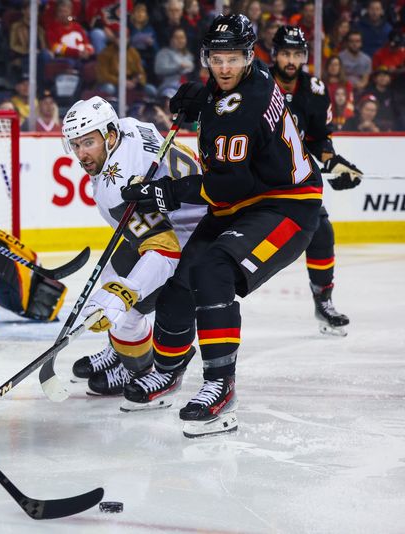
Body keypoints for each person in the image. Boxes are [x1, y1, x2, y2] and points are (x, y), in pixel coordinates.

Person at [120, 14, 323, 437]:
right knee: (180, 280)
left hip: (287, 207)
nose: (224, 67)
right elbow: (222, 103)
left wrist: (165, 193)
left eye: (233, 59)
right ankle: (168, 370)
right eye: (217, 59)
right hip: (243, 203)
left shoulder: (243, 107)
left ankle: (219, 383)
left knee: (213, 271)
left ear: (249, 57)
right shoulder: (242, 80)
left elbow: (227, 185)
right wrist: (204, 92)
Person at [61, 96, 205, 398]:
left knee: (124, 312)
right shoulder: (129, 126)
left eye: (88, 143)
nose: (81, 154)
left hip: (190, 236)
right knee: (110, 277)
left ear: (109, 136)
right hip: (173, 217)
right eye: (75, 145)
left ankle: (136, 367)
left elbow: (164, 249)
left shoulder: (118, 188)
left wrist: (128, 291)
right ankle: (121, 348)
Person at [270, 25, 362, 336]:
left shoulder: (315, 90)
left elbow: (320, 139)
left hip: (295, 182)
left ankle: (324, 301)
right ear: (275, 55)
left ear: (305, 56)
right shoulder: (258, 84)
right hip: (255, 180)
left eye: (297, 54)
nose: (291, 60)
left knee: (321, 230)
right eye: (285, 53)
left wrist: (334, 163)